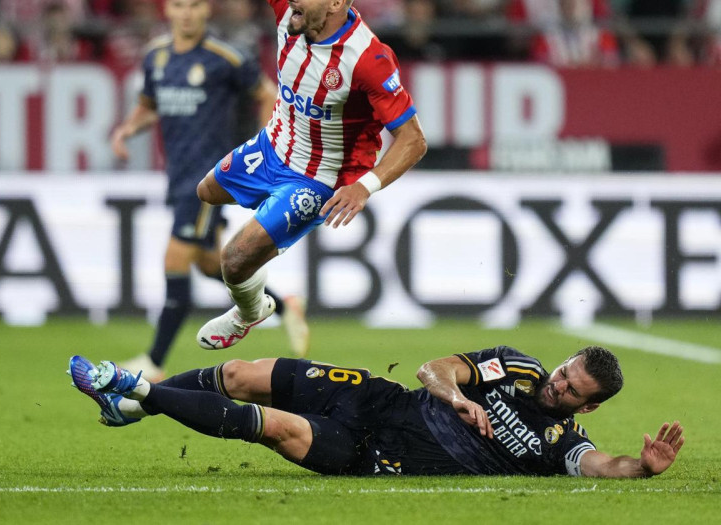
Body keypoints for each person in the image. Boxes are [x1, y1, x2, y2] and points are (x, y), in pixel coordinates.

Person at [193, 0, 427, 350]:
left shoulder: (368, 59)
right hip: (273, 145)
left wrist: (363, 188)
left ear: (335, 3)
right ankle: (264, 244)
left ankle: (249, 311)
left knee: (234, 260)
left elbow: (414, 140)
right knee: (206, 192)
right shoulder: (291, 12)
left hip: (319, 178)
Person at [67, 345, 685, 477]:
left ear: (591, 404)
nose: (555, 387)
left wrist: (644, 467)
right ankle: (135, 408)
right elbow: (434, 370)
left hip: (375, 454)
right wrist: (458, 397)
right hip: (375, 397)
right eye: (561, 373)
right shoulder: (515, 367)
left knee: (276, 428)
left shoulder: (562, 445)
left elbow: (604, 466)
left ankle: (136, 389)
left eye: (571, 390)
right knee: (238, 374)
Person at [110, 0, 310, 382]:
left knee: (174, 260)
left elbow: (268, 95)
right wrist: (126, 129)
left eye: (195, 5)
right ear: (167, 10)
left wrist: (267, 149)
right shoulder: (156, 56)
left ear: (206, 11)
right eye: (179, 5)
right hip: (178, 174)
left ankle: (153, 362)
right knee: (208, 264)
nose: (187, 13)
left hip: (207, 181)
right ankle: (284, 307)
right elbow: (150, 105)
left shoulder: (225, 58)